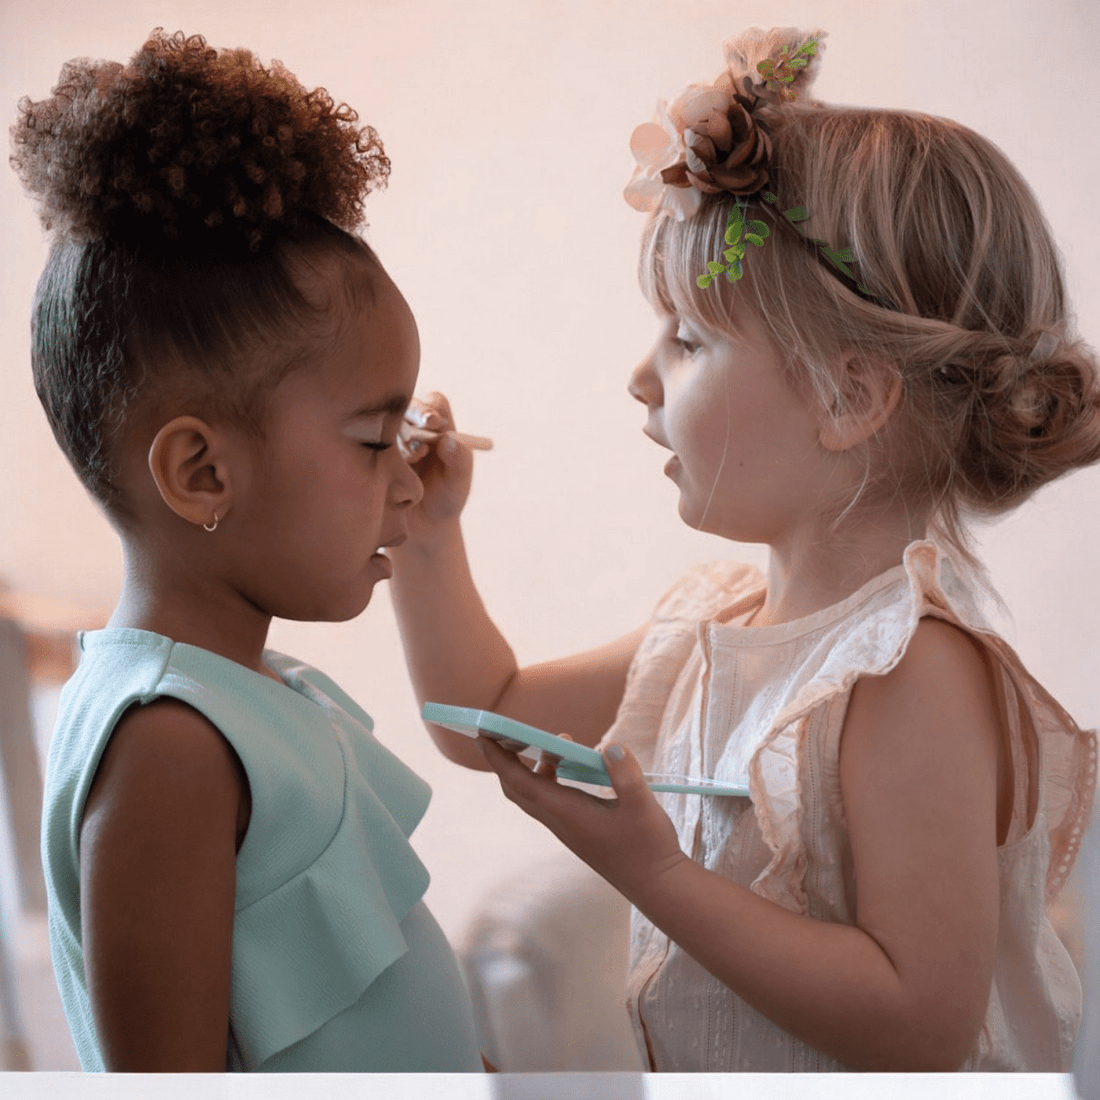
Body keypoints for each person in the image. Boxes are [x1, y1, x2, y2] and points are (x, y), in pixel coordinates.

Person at [390, 26, 1100, 1072]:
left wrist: (657, 874)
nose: (640, 375)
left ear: (845, 395)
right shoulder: (711, 630)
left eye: (687, 339)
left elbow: (919, 1025)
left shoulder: (907, 672)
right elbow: (483, 711)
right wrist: (422, 532)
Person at [11, 29, 485, 1072]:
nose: (403, 479)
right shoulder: (171, 745)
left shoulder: (242, 693)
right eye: (373, 441)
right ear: (202, 474)